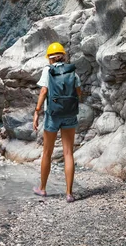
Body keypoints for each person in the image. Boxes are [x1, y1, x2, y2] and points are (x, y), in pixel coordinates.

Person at [32, 42, 82, 202]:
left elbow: (44, 91)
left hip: (52, 115)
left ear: (50, 58)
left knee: (47, 152)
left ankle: (43, 189)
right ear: (63, 56)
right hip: (69, 114)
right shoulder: (72, 72)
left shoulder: (48, 71)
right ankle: (69, 193)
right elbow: (78, 92)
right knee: (68, 153)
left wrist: (36, 112)